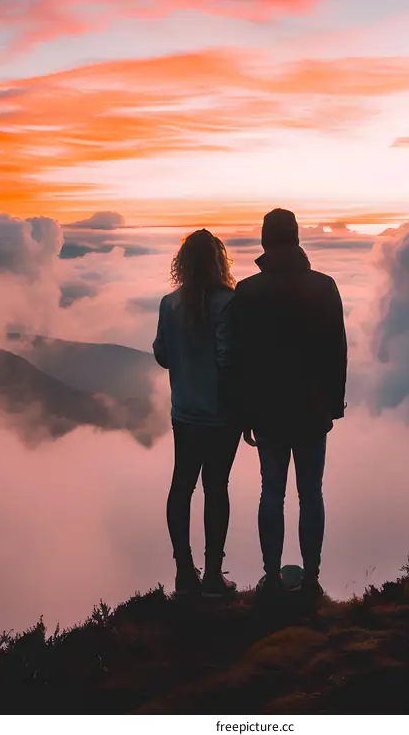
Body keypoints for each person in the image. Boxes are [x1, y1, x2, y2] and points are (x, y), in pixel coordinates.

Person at [219, 208, 347, 599]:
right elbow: (336, 351)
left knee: (271, 491)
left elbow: (238, 358)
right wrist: (334, 405)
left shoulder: (248, 292)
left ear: (264, 241)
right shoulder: (324, 287)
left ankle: (271, 579)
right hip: (312, 409)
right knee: (311, 493)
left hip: (267, 412)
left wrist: (243, 413)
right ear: (296, 238)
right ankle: (311, 580)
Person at [153, 229, 241, 599]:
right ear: (219, 261)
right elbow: (229, 360)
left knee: (181, 486)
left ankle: (184, 573)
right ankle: (213, 576)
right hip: (222, 415)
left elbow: (162, 355)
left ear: (183, 263)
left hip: (185, 412)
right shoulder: (228, 303)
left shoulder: (169, 303)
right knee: (216, 488)